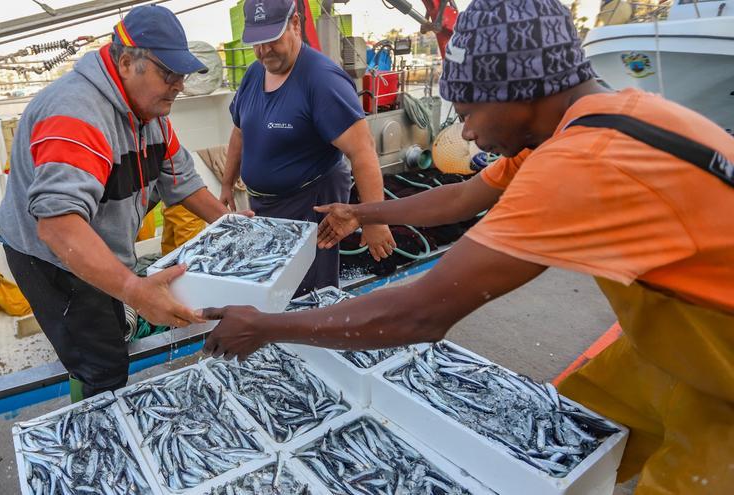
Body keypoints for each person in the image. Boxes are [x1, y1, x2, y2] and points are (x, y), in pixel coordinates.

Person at [201, 0, 734, 492]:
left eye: (469, 111)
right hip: (675, 343)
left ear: (519, 91)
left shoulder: (584, 163)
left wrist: (264, 326)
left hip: (720, 360)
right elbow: (462, 196)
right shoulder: (594, 121)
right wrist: (362, 212)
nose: (468, 135)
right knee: (560, 434)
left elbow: (419, 315)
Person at [0, 5, 239, 400]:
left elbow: (184, 183)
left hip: (100, 246)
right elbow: (58, 225)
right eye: (169, 74)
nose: (179, 85)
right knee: (101, 362)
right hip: (53, 258)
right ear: (127, 62)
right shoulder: (76, 112)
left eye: (182, 75)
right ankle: (92, 417)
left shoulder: (152, 113)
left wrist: (237, 226)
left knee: (111, 331)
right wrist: (134, 289)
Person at [219, 0, 395, 296]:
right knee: (274, 286)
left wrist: (373, 221)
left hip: (310, 203)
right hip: (263, 206)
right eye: (257, 43)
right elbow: (240, 132)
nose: (264, 51)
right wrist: (226, 183)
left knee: (309, 291)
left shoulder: (322, 80)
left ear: (296, 24)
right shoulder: (253, 74)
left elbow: (362, 151)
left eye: (272, 39)